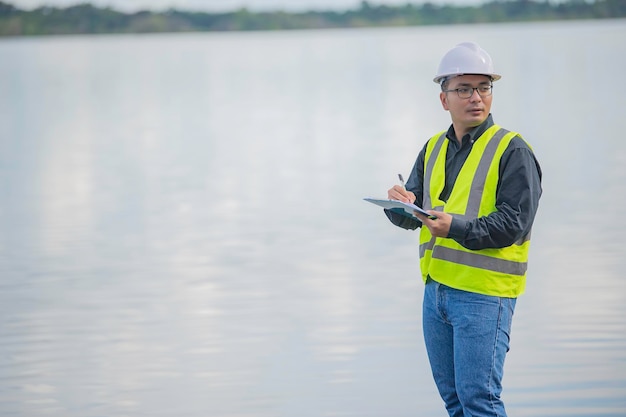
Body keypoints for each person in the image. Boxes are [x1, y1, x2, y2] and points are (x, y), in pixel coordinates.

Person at [384, 42, 542, 417]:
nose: (476, 97)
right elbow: (416, 214)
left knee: (480, 403)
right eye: (464, 89)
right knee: (455, 403)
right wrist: (398, 205)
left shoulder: (512, 149)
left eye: (484, 87)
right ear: (444, 99)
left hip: (484, 296)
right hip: (436, 293)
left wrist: (453, 226)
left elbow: (514, 225)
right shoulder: (433, 148)